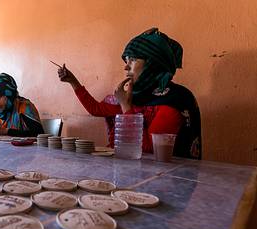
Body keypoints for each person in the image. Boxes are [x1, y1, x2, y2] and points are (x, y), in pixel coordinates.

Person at [57, 28, 201, 159]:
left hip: (161, 181)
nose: (126, 67)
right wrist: (73, 81)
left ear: (153, 63)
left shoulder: (174, 99)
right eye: (126, 60)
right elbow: (96, 109)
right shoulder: (136, 95)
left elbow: (147, 149)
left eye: (132, 60)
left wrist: (126, 106)